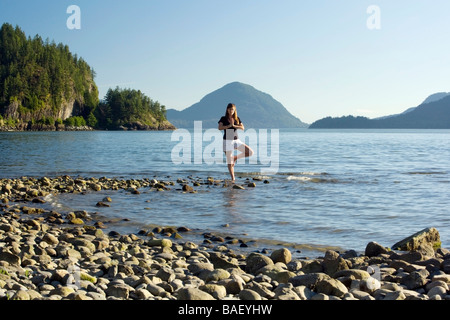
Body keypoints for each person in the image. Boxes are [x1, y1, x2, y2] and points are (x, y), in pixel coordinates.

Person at [218, 103, 254, 182]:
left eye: (232, 109)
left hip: (236, 140)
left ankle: (235, 158)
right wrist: (228, 126)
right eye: (230, 109)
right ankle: (233, 179)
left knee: (250, 152)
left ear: (234, 110)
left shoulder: (237, 118)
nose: (231, 111)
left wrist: (234, 125)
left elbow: (242, 127)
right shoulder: (223, 118)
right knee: (229, 162)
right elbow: (220, 127)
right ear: (227, 109)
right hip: (227, 140)